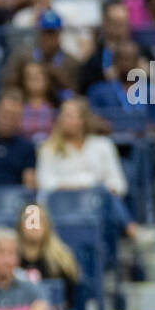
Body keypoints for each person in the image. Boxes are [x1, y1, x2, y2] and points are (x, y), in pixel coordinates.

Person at [35, 97, 144, 241]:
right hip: (62, 206)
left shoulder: (103, 145)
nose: (63, 119)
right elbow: (45, 183)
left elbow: (118, 184)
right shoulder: (48, 148)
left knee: (105, 197)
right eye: (62, 115)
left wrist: (88, 188)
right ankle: (130, 228)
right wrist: (86, 184)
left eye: (69, 115)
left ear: (82, 120)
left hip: (96, 206)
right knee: (103, 193)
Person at [0, 10, 81, 99]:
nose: (48, 38)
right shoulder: (22, 56)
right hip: (25, 106)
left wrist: (58, 77)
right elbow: (7, 84)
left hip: (58, 107)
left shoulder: (71, 62)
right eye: (45, 33)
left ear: (59, 34)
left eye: (52, 33)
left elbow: (77, 92)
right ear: (39, 33)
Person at [16, 202, 80, 310]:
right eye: (29, 220)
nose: (34, 225)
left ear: (47, 225)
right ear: (20, 225)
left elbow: (69, 302)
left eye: (39, 220)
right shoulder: (8, 259)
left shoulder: (62, 259)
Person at [19, 61, 57, 142]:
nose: (34, 81)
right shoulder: (17, 107)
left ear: (46, 80)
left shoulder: (56, 107)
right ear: (24, 81)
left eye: (37, 77)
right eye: (30, 77)